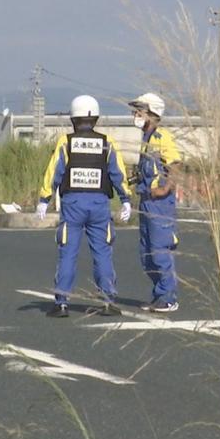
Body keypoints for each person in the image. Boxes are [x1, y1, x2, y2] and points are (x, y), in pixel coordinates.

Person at [36, 95, 133, 318]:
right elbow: (118, 174)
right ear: (95, 118)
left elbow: (54, 172)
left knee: (68, 254)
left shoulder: (66, 142)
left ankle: (62, 303)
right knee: (103, 254)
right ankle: (108, 301)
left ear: (73, 119)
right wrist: (126, 200)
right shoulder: (107, 143)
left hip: (72, 205)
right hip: (99, 204)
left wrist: (44, 199)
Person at [130, 92, 182, 313]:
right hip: (146, 200)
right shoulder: (146, 139)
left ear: (152, 113)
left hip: (160, 204)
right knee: (146, 252)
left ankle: (168, 297)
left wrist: (165, 189)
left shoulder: (163, 137)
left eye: (139, 110)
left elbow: (175, 165)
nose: (135, 114)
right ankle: (159, 295)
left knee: (160, 249)